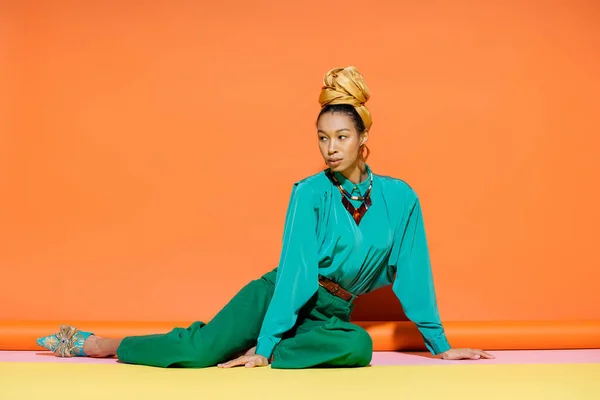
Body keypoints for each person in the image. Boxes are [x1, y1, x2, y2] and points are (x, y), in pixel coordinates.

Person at [37, 66, 494, 368]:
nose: (330, 148)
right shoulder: (309, 193)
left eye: (340, 137)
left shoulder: (400, 197)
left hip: (330, 314)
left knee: (360, 347)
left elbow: (413, 274)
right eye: (321, 138)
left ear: (363, 137)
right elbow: (296, 273)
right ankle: (102, 344)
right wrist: (272, 339)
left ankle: (259, 350)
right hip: (278, 295)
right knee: (201, 354)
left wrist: (441, 346)